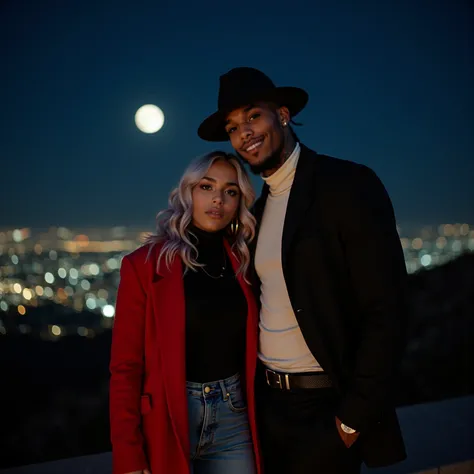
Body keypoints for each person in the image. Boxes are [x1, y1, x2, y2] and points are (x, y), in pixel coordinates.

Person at [197, 67, 408, 473]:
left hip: (326, 408)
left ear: (282, 114)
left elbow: (388, 308)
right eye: (233, 126)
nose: (244, 133)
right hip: (269, 410)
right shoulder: (256, 211)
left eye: (253, 116)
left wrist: (352, 419)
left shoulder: (346, 185)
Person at [109, 151, 262, 474]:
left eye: (230, 191)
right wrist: (128, 457)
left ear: (239, 202)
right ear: (188, 192)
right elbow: (125, 368)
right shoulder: (143, 266)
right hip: (168, 416)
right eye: (206, 187)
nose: (218, 199)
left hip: (234, 415)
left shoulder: (246, 264)